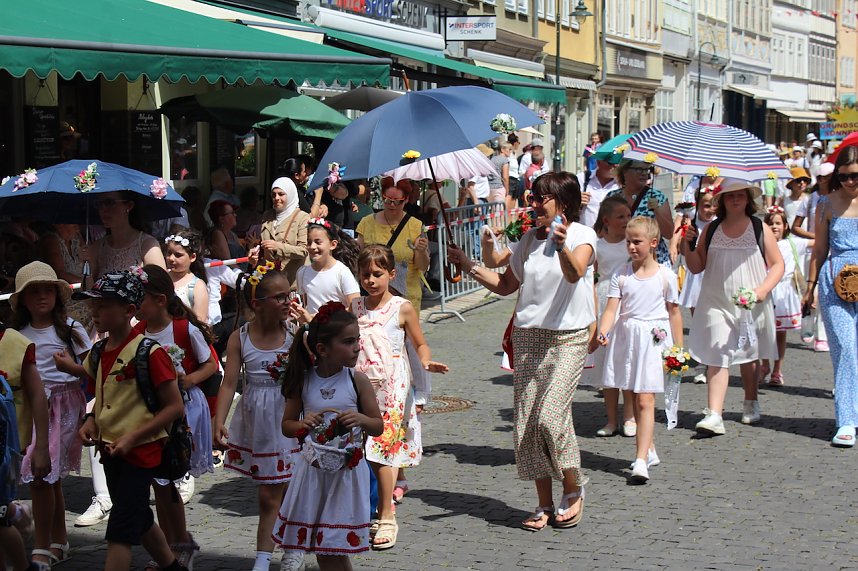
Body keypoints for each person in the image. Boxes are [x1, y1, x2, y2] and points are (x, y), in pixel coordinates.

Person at [446, 172, 595, 532]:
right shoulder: (528, 239)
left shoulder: (582, 236)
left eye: (542, 197)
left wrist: (560, 245)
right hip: (528, 338)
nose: (533, 202)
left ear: (564, 201)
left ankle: (573, 487)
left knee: (550, 415)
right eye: (533, 196)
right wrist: (469, 265)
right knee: (527, 424)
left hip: (568, 337)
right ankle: (544, 502)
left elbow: (575, 275)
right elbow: (505, 285)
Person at [73, 270, 188, 571]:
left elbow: (174, 406)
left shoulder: (150, 352)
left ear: (129, 311)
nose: (94, 311)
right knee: (138, 517)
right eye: (93, 304)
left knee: (120, 531)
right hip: (111, 450)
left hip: (142, 453)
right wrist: (89, 420)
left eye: (104, 305)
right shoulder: (99, 351)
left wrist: (133, 437)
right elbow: (101, 392)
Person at [77, 193, 167, 529]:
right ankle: (102, 494)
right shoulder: (98, 246)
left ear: (128, 206)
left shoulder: (146, 243)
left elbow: (160, 288)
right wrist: (87, 263)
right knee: (96, 406)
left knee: (143, 403)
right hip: (108, 335)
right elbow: (90, 296)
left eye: (110, 203)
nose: (104, 210)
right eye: (100, 205)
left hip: (139, 332)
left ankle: (160, 471)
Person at [273, 302, 383, 569]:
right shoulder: (304, 380)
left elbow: (377, 425)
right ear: (322, 349)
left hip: (345, 475)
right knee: (323, 548)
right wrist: (302, 425)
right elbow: (286, 424)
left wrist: (360, 419)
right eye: (348, 342)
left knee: (333, 545)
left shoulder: (357, 380)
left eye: (357, 339)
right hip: (314, 473)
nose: (357, 346)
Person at [353, 245, 447, 550]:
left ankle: (387, 516)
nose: (371, 280)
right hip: (362, 387)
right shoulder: (354, 307)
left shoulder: (402, 307)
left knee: (384, 450)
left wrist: (426, 361)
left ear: (391, 274)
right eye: (365, 274)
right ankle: (363, 511)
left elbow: (420, 343)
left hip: (393, 388)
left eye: (377, 274)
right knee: (364, 451)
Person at [213, 266, 303, 571]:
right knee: (269, 493)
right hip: (260, 424)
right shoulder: (240, 338)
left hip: (289, 418)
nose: (286, 301)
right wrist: (218, 420)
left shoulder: (295, 333)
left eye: (287, 294)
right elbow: (229, 383)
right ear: (258, 304)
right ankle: (266, 556)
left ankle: (289, 550)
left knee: (288, 489)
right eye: (278, 297)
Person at [681, 179, 784, 435]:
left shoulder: (759, 228)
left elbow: (778, 264)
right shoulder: (712, 229)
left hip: (748, 302)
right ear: (722, 201)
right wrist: (687, 244)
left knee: (748, 355)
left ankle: (751, 400)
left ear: (748, 199)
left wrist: (761, 291)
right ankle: (714, 413)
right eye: (730, 196)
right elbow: (696, 266)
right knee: (718, 352)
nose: (735, 200)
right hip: (715, 301)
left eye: (740, 195)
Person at [133, 265, 218, 569]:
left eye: (138, 297)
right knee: (159, 482)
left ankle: (178, 544)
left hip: (183, 410)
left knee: (168, 481)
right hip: (151, 411)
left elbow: (211, 364)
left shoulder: (184, 329)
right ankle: (170, 550)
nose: (135, 304)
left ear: (158, 299)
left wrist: (188, 379)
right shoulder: (137, 331)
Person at [10, 262, 88, 568]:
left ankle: (41, 546)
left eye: (47, 290)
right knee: (48, 477)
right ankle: (59, 540)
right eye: (34, 292)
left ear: (57, 294)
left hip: (63, 405)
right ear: (23, 300)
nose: (42, 297)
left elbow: (93, 369)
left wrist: (71, 367)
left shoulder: (70, 329)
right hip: (30, 407)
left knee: (42, 475)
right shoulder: (16, 334)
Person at [593, 217, 683, 483]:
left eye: (637, 242)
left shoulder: (666, 276)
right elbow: (612, 308)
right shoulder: (621, 274)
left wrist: (678, 349)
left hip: (653, 340)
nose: (631, 247)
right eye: (628, 241)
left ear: (653, 243)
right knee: (631, 392)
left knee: (645, 399)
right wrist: (603, 330)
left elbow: (674, 313)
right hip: (628, 337)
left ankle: (640, 459)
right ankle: (649, 449)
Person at [803, 146, 858, 447]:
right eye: (846, 176)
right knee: (845, 348)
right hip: (834, 277)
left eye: (857, 176)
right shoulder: (824, 204)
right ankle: (846, 419)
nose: (851, 182)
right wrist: (810, 286)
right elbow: (820, 250)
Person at [586, 197, 635, 437]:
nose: (626, 221)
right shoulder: (597, 245)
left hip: (629, 301)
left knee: (626, 360)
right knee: (607, 363)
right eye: (621, 217)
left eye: (628, 216)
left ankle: (630, 416)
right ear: (606, 220)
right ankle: (611, 419)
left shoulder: (632, 244)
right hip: (606, 301)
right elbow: (590, 278)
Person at [355, 178, 429, 309]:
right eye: (388, 200)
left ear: (406, 200)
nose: (392, 205)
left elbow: (422, 266)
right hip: (374, 296)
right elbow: (358, 259)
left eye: (398, 202)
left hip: (406, 298)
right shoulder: (366, 223)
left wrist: (421, 251)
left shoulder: (415, 226)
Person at [671, 190, 717, 384]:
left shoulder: (718, 224)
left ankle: (710, 361)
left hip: (712, 275)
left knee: (711, 319)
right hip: (695, 275)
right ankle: (700, 361)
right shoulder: (691, 224)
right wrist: (685, 237)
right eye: (706, 206)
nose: (710, 209)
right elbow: (684, 251)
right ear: (698, 207)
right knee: (698, 319)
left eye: (713, 205)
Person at [762, 208, 811, 387]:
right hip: (766, 290)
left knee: (780, 334)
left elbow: (817, 242)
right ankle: (764, 365)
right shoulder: (760, 243)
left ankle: (777, 370)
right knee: (763, 331)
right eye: (770, 223)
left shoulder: (793, 244)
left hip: (784, 292)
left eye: (777, 223)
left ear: (785, 226)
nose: (774, 226)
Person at [792, 162, 834, 351]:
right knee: (811, 294)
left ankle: (822, 336)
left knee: (826, 294)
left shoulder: (839, 199)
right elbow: (796, 227)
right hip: (813, 251)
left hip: (835, 251)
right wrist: (816, 236)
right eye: (824, 176)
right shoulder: (811, 199)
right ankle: (807, 322)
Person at [291, 219, 360, 323]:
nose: (313, 247)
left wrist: (324, 317)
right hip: (313, 331)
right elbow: (305, 304)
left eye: (318, 242)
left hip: (337, 330)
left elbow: (355, 307)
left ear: (333, 245)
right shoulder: (302, 272)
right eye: (309, 242)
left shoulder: (342, 272)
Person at [607, 160, 674, 265]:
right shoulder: (613, 197)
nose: (644, 173)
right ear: (625, 171)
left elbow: (669, 233)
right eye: (639, 169)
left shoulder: (657, 196)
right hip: (621, 261)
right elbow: (602, 229)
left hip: (654, 262)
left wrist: (657, 210)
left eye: (646, 169)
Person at [257, 178, 310, 287]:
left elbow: (304, 250)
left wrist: (279, 247)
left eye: (281, 194)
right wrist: (256, 252)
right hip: (272, 282)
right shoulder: (267, 216)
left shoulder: (302, 217)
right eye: (273, 195)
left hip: (293, 283)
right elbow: (263, 244)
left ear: (290, 194)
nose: (276, 198)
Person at [164, 230, 209, 324]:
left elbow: (200, 321)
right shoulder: (163, 278)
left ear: (192, 257)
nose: (171, 258)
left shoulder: (197, 285)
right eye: (169, 253)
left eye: (178, 255)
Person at [578, 159, 620, 229]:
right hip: (584, 236)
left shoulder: (622, 184)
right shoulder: (582, 179)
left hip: (611, 236)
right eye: (610, 163)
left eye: (617, 162)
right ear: (598, 162)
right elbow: (565, 206)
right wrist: (576, 201)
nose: (615, 166)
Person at [488, 143, 512, 208]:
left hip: (489, 188)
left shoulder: (492, 159)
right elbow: (505, 177)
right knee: (499, 213)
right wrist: (507, 189)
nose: (511, 151)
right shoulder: (504, 160)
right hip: (499, 187)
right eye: (509, 149)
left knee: (491, 214)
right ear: (502, 149)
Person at [507, 134, 523, 207]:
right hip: (510, 179)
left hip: (516, 179)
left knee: (513, 203)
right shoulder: (508, 154)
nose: (519, 144)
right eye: (519, 142)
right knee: (509, 204)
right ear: (515, 142)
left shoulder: (514, 153)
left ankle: (512, 218)